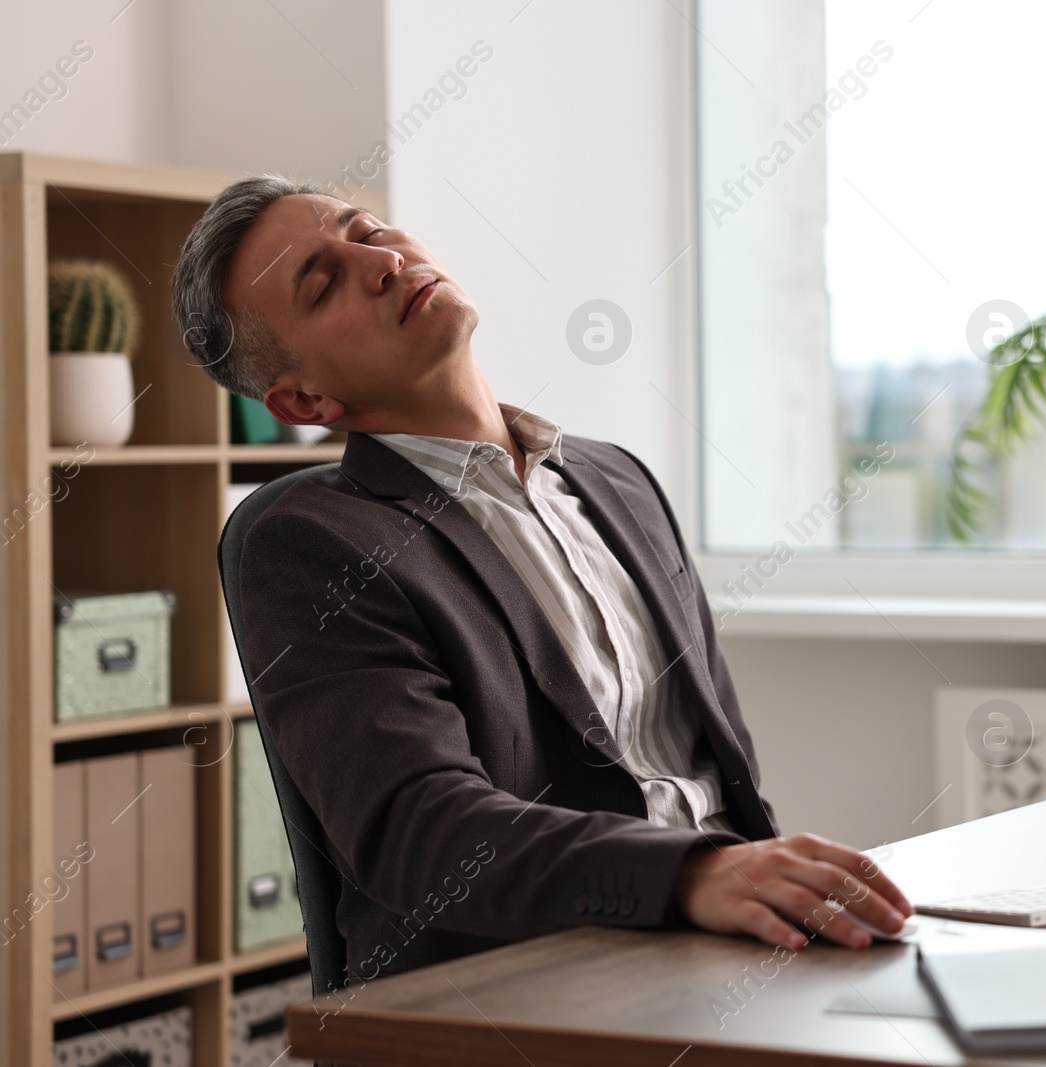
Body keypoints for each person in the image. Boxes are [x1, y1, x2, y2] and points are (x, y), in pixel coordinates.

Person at [173, 176, 911, 981]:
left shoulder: (618, 478)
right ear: (308, 397)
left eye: (368, 228)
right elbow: (422, 833)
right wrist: (691, 874)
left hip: (726, 951)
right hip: (530, 984)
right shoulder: (310, 545)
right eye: (324, 282)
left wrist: (773, 891)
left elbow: (716, 766)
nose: (378, 258)